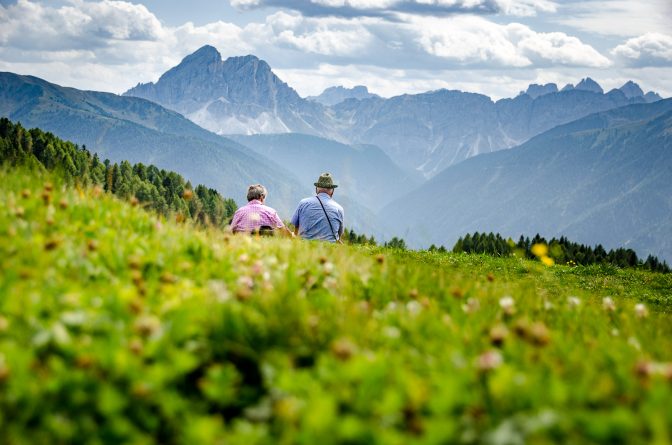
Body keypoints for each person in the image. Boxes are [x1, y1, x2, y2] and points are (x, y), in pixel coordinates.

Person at [291, 173, 344, 243]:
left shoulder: (303, 203)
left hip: (304, 247)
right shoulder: (339, 209)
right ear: (332, 191)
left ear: (316, 189)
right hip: (329, 250)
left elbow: (296, 227)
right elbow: (339, 235)